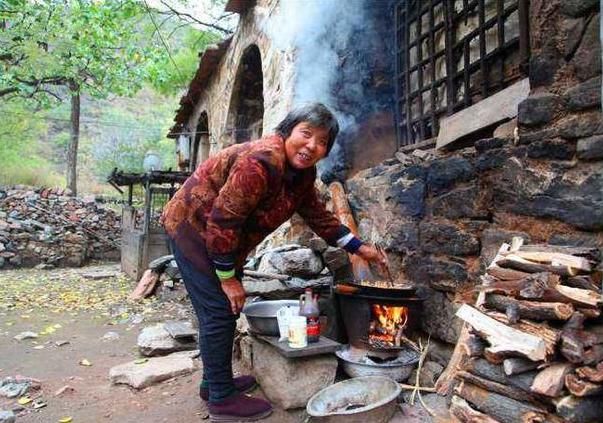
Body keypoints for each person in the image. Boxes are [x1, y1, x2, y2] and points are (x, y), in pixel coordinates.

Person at [161, 103, 388, 422]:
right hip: (193, 229)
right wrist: (228, 279)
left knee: (224, 310)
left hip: (221, 240)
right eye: (306, 134)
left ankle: (213, 384)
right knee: (219, 311)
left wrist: (359, 247)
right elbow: (223, 221)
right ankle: (221, 399)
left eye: (322, 141)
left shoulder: (302, 175)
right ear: (287, 131)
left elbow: (318, 217)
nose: (312, 146)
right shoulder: (260, 162)